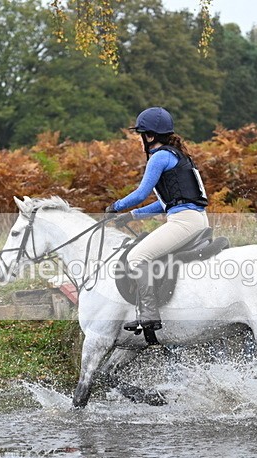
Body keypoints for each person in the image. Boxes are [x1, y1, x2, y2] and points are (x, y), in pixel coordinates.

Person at [105, 107, 209, 333]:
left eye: (141, 135)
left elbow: (141, 193)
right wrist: (131, 216)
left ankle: (149, 315)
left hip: (184, 222)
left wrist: (116, 206)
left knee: (136, 256)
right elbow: (166, 202)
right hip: (197, 219)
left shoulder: (159, 157)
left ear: (149, 136)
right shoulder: (178, 156)